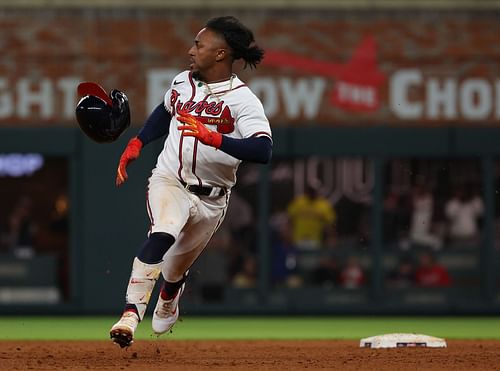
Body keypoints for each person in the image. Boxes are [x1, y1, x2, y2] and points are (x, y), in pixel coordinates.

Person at [109, 16, 272, 348]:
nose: (190, 50)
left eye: (199, 44)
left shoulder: (243, 100)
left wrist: (215, 139)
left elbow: (263, 149)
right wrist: (138, 142)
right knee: (164, 231)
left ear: (221, 54)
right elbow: (165, 110)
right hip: (170, 180)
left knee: (174, 267)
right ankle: (129, 315)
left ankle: (170, 292)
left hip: (213, 199)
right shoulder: (183, 82)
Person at [286, 185, 336, 250]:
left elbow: (330, 223)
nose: (311, 193)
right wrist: (289, 234)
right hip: (298, 238)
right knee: (299, 259)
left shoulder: (324, 205)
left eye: (313, 191)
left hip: (316, 239)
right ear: (307, 192)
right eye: (310, 191)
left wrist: (331, 237)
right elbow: (290, 219)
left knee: (313, 259)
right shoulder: (298, 202)